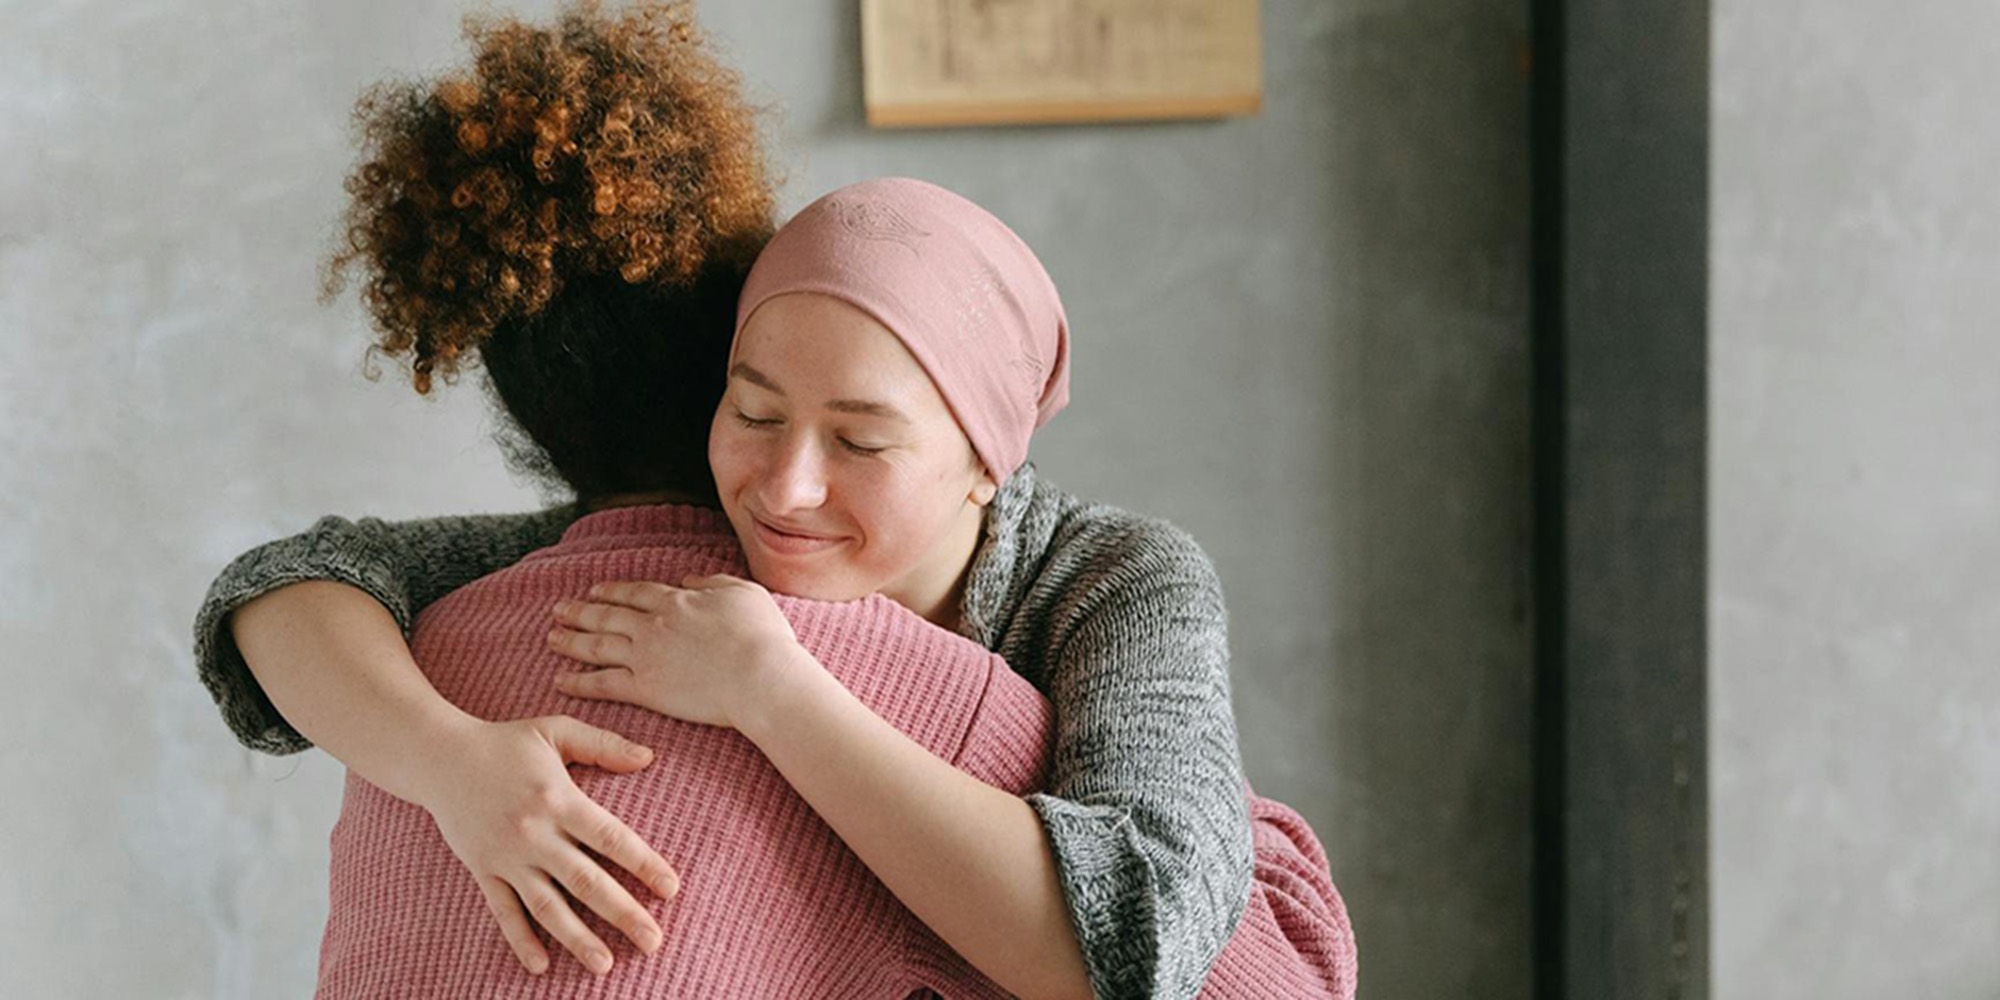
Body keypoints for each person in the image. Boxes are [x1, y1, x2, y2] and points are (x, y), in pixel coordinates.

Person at [195, 4, 1354, 997]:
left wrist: (776, 692)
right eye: (752, 412)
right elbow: (284, 587)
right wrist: (456, 764)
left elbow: (1148, 940)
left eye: (860, 439)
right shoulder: (704, 532)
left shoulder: (1114, 578)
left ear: (985, 460)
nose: (786, 485)